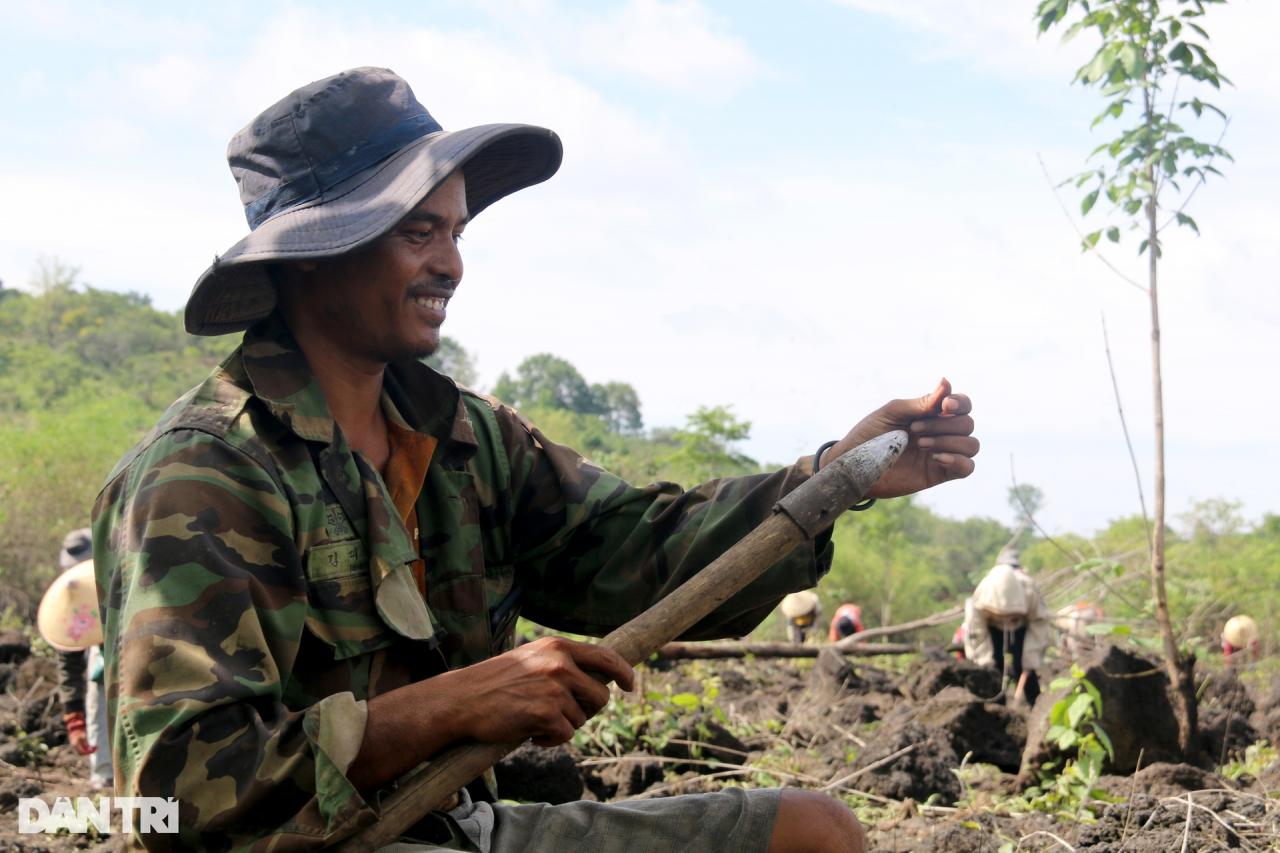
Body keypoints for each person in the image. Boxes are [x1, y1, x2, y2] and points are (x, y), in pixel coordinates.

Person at [92, 67, 979, 852]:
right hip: (326, 843)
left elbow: (642, 552)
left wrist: (832, 478)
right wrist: (457, 703)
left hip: (465, 827)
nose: (453, 264)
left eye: (457, 231)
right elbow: (179, 797)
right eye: (417, 234)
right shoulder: (206, 475)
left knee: (814, 834)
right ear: (314, 256)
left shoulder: (466, 440)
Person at [47, 528, 113, 790]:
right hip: (100, 654)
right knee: (99, 695)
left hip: (140, 648)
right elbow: (69, 656)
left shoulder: (125, 575)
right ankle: (104, 778)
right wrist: (74, 718)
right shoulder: (72, 593)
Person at [962, 551, 1051, 706]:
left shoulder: (1028, 588)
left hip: (1020, 629)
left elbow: (1039, 622)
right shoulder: (984, 590)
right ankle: (996, 707)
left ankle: (1036, 706)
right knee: (993, 669)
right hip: (992, 630)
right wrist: (983, 659)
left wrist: (1030, 658)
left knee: (1023, 669)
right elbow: (976, 629)